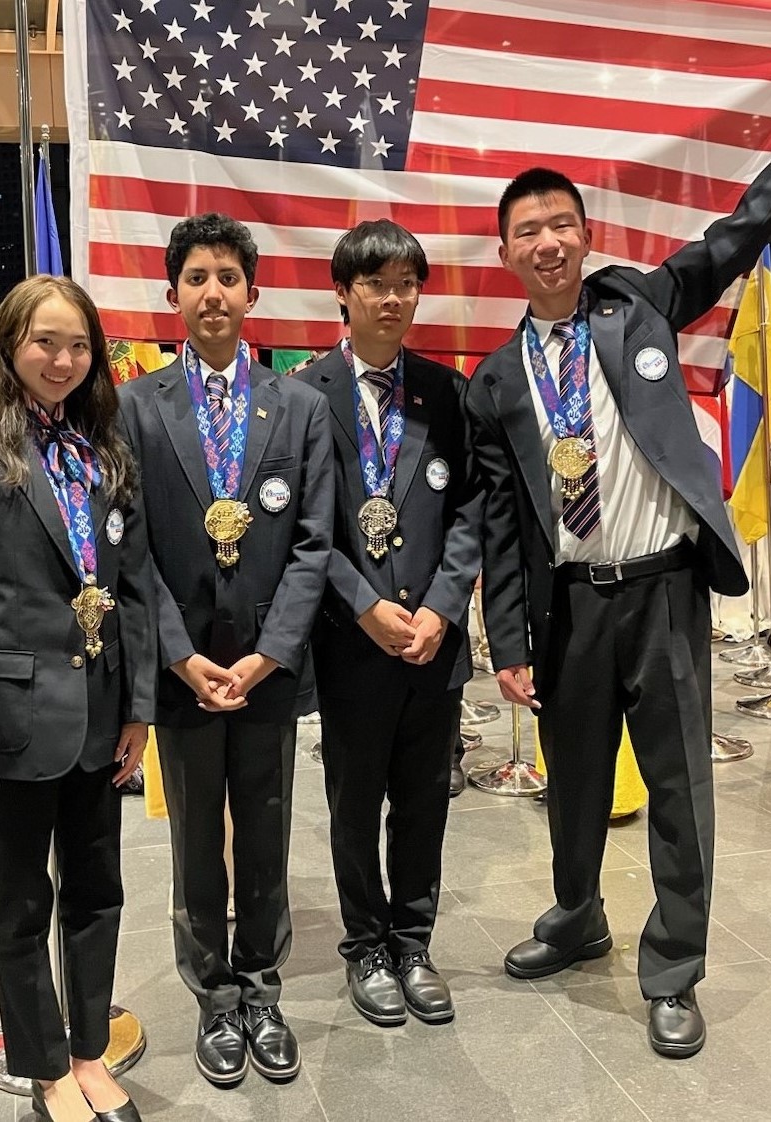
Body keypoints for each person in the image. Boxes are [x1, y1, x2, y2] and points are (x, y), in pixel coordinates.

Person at [465, 11, 771, 1059]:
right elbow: (504, 527)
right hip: (568, 604)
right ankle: (574, 914)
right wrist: (506, 643)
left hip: (662, 591)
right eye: (526, 230)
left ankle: (672, 963)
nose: (546, 240)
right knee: (574, 781)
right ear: (504, 252)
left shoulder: (637, 303)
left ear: (583, 236)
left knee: (679, 783)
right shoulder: (496, 381)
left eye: (560, 222)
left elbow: (742, 223)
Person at [0, 275, 155, 1122]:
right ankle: (47, 1068)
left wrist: (138, 707)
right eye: (44, 342)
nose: (62, 359)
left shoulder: (104, 446)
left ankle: (90, 1052)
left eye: (78, 344)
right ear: (9, 344)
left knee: (100, 892)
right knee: (23, 902)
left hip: (100, 713)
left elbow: (131, 587)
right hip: (13, 718)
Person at [118, 213, 332, 1087]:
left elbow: (317, 541)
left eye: (227, 277)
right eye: (196, 277)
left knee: (270, 827)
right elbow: (125, 544)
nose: (213, 292)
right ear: (173, 295)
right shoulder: (134, 406)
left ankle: (261, 981)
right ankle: (212, 991)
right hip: (183, 672)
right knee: (197, 839)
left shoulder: (300, 406)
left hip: (265, 670)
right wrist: (176, 655)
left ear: (253, 292)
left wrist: (271, 652)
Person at [296, 220, 481, 1027]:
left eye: (406, 284)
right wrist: (362, 603)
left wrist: (441, 607)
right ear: (342, 292)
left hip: (431, 643)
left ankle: (414, 941)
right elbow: (306, 527)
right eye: (375, 284)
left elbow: (472, 508)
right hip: (351, 643)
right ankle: (365, 946)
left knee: (424, 800)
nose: (392, 299)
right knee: (353, 800)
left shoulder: (445, 392)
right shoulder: (301, 395)